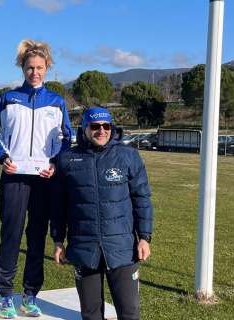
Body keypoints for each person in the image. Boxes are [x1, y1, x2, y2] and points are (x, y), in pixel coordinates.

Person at [0, 39, 72, 318]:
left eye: (39, 67)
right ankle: (6, 294)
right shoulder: (9, 98)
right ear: (22, 68)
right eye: (29, 67)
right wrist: (3, 157)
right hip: (13, 177)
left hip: (43, 179)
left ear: (47, 68)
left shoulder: (57, 102)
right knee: (10, 234)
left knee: (36, 236)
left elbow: (66, 139)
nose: (34, 72)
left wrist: (55, 165)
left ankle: (30, 294)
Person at [51, 107, 153, 320]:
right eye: (95, 126)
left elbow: (142, 200)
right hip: (84, 249)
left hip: (123, 250)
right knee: (90, 314)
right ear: (85, 129)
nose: (101, 131)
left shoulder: (128, 156)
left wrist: (144, 238)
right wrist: (58, 241)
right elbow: (59, 205)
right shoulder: (68, 159)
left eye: (106, 126)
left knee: (129, 312)